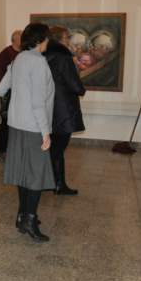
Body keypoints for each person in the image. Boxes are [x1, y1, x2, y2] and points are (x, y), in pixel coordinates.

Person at [0, 23, 55, 243]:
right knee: (36, 175)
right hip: (33, 126)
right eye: (46, 38)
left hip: (16, 125)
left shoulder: (18, 58)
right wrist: (46, 133)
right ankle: (29, 220)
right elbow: (38, 102)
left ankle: (22, 216)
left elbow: (1, 89)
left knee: (23, 172)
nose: (48, 42)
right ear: (40, 40)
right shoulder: (38, 62)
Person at [45, 26, 86, 195]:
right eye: (67, 37)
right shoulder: (64, 57)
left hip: (46, 109)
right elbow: (76, 86)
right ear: (60, 39)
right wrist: (80, 86)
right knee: (58, 148)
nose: (69, 40)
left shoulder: (42, 55)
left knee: (52, 147)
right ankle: (58, 184)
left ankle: (53, 183)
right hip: (63, 109)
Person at [0, 30, 22, 160]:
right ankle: (2, 151)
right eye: (21, 38)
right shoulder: (6, 53)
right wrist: (5, 92)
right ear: (15, 40)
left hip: (20, 95)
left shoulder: (24, 54)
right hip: (8, 94)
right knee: (6, 122)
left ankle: (15, 150)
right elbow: (0, 75)